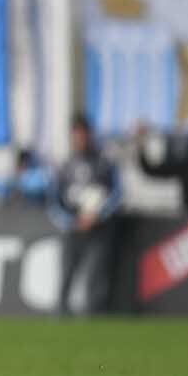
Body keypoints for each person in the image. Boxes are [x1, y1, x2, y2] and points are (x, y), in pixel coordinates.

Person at [50, 114, 122, 315]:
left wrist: (98, 215)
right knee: (66, 275)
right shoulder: (65, 166)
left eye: (83, 134)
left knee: (96, 277)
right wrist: (71, 220)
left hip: (99, 228)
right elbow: (54, 202)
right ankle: (61, 318)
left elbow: (117, 194)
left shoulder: (104, 164)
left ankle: (95, 319)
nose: (80, 139)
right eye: (76, 134)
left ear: (90, 135)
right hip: (72, 228)